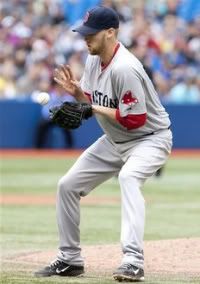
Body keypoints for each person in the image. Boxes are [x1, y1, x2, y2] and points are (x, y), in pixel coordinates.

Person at [35, 6, 172, 282]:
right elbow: (93, 99)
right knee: (67, 186)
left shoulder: (126, 68)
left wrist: (93, 108)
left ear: (111, 33)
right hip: (115, 140)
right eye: (84, 32)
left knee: (129, 177)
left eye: (91, 33)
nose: (85, 38)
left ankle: (133, 261)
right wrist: (77, 93)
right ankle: (70, 259)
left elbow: (135, 120)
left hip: (150, 139)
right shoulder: (93, 60)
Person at [35, 80, 74, 149]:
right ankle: (38, 148)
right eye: (59, 87)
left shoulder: (69, 98)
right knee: (41, 124)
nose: (61, 89)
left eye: (62, 87)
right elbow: (45, 112)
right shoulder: (49, 96)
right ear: (55, 87)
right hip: (50, 119)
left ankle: (69, 149)